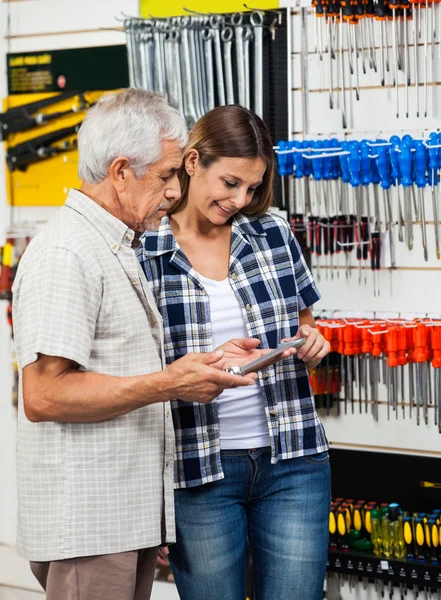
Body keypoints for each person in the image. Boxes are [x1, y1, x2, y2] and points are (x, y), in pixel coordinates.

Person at [11, 90, 274, 600]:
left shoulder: (114, 244)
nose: (176, 190)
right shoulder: (68, 252)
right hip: (88, 525)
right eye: (166, 175)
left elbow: (119, 368)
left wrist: (200, 367)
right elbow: (44, 396)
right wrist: (171, 383)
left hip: (119, 518)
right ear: (122, 171)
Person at [139, 104, 332, 600]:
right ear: (192, 161)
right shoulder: (145, 251)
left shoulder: (271, 231)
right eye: (229, 183)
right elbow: (137, 374)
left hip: (293, 458)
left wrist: (312, 342)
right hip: (197, 467)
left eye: (251, 188)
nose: (240, 199)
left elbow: (305, 322)